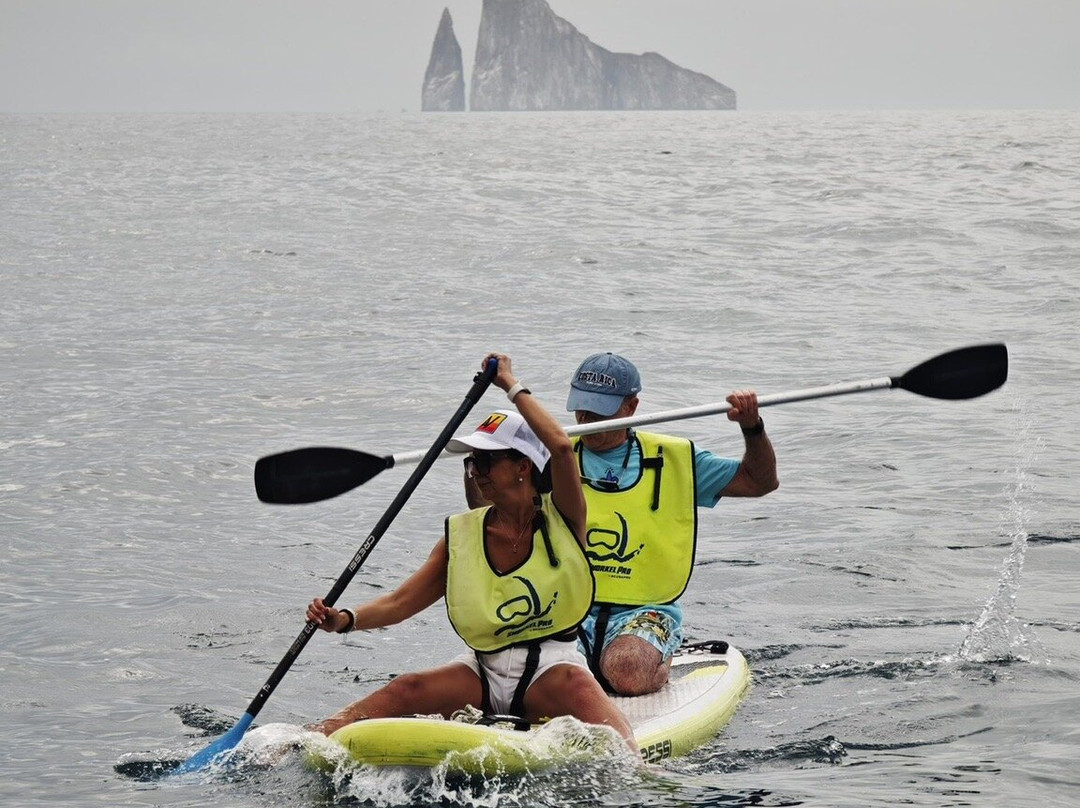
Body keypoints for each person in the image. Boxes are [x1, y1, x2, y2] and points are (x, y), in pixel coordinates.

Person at [306, 353, 635, 749]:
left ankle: (638, 765)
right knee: (407, 687)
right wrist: (343, 619)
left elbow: (562, 449)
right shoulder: (460, 537)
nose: (474, 469)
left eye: (486, 460)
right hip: (481, 669)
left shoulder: (564, 518)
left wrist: (511, 384)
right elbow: (400, 602)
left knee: (618, 742)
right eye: (472, 460)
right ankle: (301, 742)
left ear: (523, 467)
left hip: (553, 671)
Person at [467, 352, 778, 697]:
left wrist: (752, 427)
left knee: (626, 671)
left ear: (631, 406)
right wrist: (478, 461)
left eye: (601, 409)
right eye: (581, 406)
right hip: (566, 609)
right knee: (539, 678)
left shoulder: (676, 458)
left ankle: (657, 658)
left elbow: (759, 482)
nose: (586, 417)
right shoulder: (550, 456)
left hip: (645, 610)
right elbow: (484, 508)